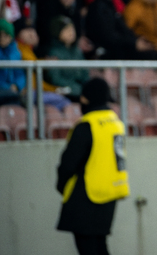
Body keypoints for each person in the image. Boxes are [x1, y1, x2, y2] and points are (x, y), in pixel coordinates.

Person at [56, 77, 130, 255]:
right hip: (110, 195)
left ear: (85, 99)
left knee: (88, 248)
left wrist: (62, 186)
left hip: (86, 196)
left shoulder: (87, 125)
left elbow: (68, 164)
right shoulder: (116, 123)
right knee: (100, 246)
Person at [0, 19, 25, 108]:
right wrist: (8, 87)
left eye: (6, 35)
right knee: (13, 97)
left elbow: (20, 74)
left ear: (11, 37)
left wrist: (17, 85)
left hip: (12, 90)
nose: (2, 38)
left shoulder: (16, 53)